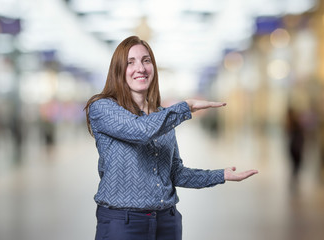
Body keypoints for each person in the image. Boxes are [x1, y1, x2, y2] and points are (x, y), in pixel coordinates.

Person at [84, 36, 258, 240]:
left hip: (167, 221)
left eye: (146, 60)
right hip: (123, 223)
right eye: (130, 62)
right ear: (117, 70)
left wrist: (221, 175)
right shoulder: (102, 108)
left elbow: (175, 173)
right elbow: (141, 131)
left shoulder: (162, 117)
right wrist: (185, 107)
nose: (140, 68)